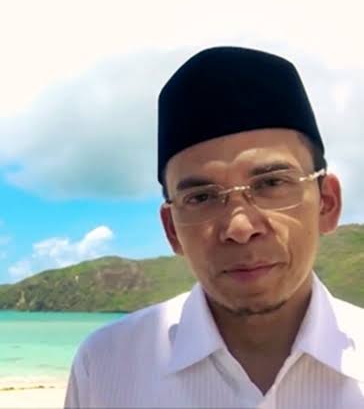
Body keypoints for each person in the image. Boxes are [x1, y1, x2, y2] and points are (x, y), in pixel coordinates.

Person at [65, 47, 364, 408]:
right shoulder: (105, 368)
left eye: (271, 184)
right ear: (172, 229)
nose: (240, 226)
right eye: (202, 197)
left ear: (327, 202)